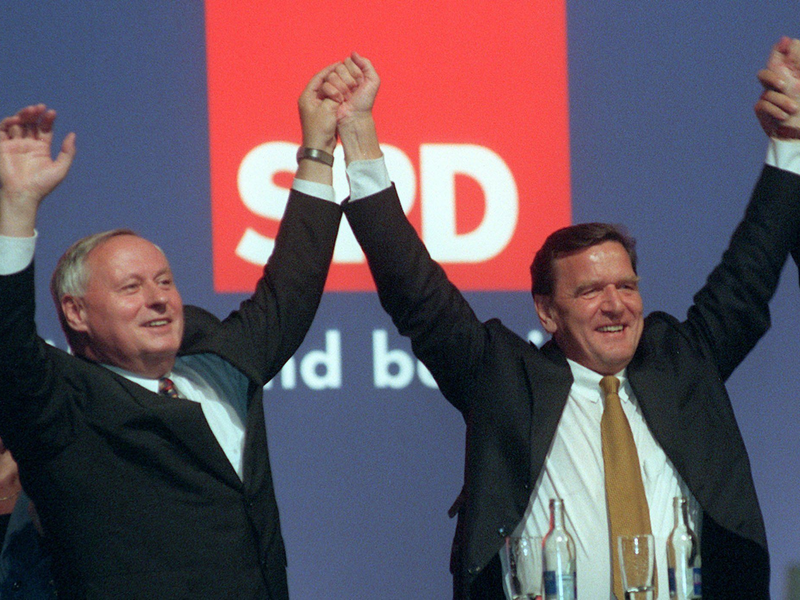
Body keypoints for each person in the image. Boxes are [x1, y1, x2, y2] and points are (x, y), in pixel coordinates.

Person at [319, 40, 800, 598]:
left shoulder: (683, 364)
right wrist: (358, 135)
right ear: (547, 311)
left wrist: (789, 145)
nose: (616, 304)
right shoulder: (505, 381)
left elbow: (748, 274)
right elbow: (416, 294)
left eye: (626, 286)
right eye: (591, 291)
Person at [0, 61, 346, 598]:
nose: (159, 298)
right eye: (131, 287)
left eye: (164, 280)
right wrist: (17, 207)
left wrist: (318, 151)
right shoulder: (60, 407)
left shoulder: (219, 366)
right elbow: (7, 342)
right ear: (76, 313)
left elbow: (292, 285)